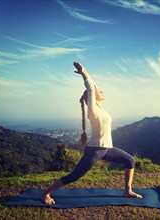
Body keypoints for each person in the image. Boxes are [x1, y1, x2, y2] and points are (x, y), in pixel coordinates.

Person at [41, 62, 143, 205]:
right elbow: (91, 88)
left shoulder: (99, 109)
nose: (101, 91)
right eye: (98, 91)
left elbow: (92, 87)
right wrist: (83, 73)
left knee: (130, 160)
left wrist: (87, 73)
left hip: (106, 148)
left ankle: (127, 191)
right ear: (92, 98)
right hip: (95, 150)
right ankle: (46, 193)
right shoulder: (93, 110)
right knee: (74, 176)